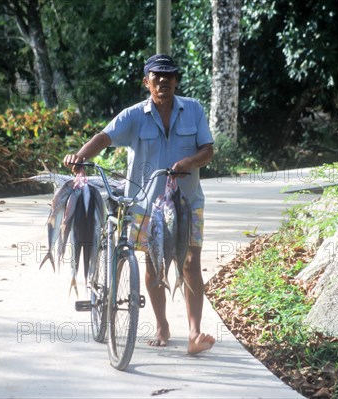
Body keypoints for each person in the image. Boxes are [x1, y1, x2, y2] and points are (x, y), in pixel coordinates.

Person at [63, 54, 216, 354]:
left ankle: (195, 334)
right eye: (156, 76)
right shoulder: (134, 115)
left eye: (169, 76)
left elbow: (208, 151)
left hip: (186, 203)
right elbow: (103, 137)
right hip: (146, 204)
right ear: (146, 82)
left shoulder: (194, 110)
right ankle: (161, 325)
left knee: (190, 262)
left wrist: (190, 161)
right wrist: (79, 158)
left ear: (176, 81)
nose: (163, 81)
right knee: (153, 265)